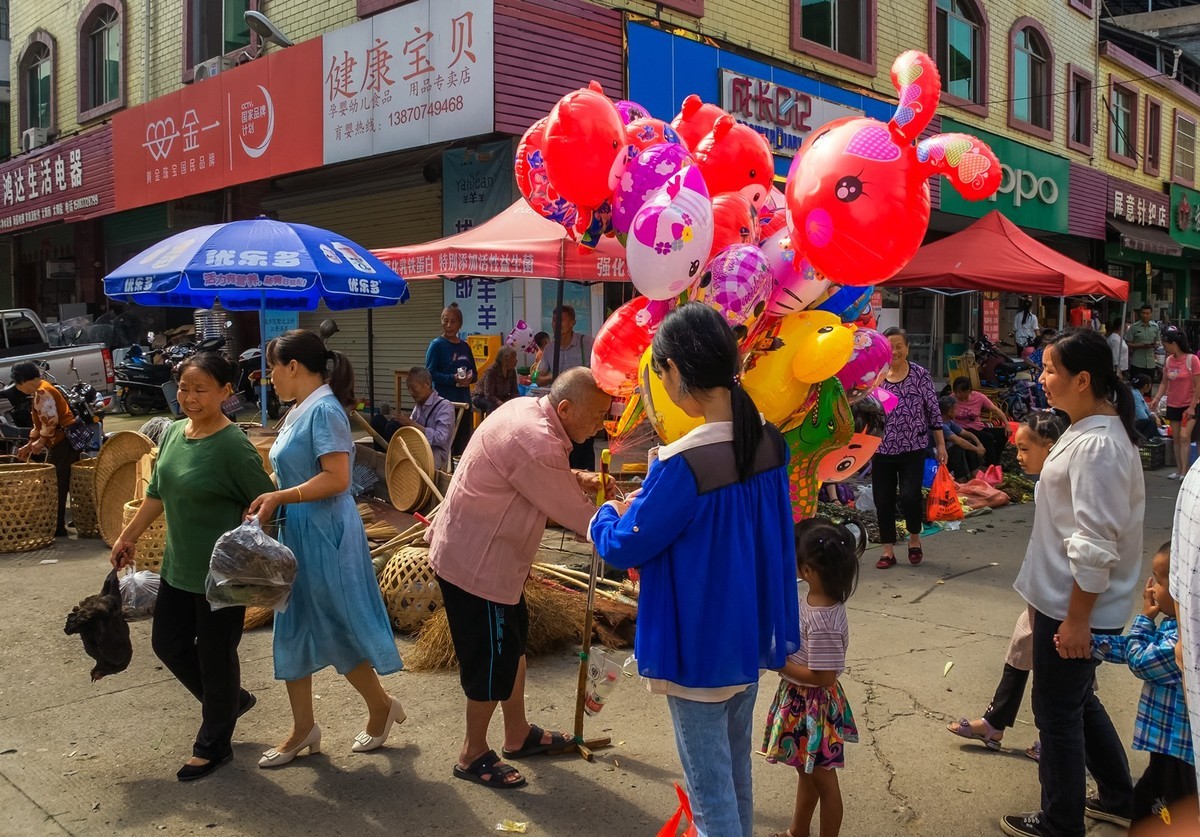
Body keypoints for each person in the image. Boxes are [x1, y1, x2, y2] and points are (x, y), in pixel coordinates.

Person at [589, 302, 799, 837]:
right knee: (734, 777)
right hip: (748, 635)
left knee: (710, 801)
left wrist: (605, 516)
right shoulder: (770, 442)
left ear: (676, 373)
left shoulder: (683, 464)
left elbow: (625, 546)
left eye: (661, 372)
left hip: (698, 648)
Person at [427, 367, 613, 790]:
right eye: (599, 414)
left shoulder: (527, 411)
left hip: (484, 558)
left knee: (513, 646)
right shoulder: (537, 441)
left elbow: (540, 481)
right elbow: (581, 517)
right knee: (491, 663)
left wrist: (577, 479)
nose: (602, 424)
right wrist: (626, 516)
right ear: (565, 408)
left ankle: (516, 733)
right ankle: (472, 753)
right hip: (478, 568)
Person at [1002, 328, 1141, 837]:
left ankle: (1062, 822)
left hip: (1072, 606)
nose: (1042, 378)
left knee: (1056, 715)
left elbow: (1095, 541)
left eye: (1049, 369)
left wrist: (1078, 618)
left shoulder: (1100, 445)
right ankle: (1118, 795)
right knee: (1076, 703)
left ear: (1082, 380)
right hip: (1062, 601)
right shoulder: (1086, 431)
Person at [110, 353, 275, 781]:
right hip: (178, 566)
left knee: (217, 656)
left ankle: (213, 743)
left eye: (201, 389)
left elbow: (263, 501)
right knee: (168, 644)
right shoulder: (172, 434)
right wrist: (128, 536)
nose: (189, 397)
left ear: (225, 392)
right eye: (184, 388)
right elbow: (157, 492)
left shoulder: (232, 445)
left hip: (223, 574)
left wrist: (248, 537)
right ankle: (229, 703)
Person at [247, 330, 404, 769]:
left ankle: (380, 705)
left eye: (272, 368)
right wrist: (267, 499)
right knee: (291, 623)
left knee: (335, 624)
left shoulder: (326, 410)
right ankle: (303, 729)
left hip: (325, 534)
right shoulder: (298, 409)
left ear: (293, 367)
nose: (268, 378)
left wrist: (281, 497)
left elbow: (337, 478)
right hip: (295, 531)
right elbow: (291, 471)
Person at [946, 410, 1066, 759]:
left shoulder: (1060, 483)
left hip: (1059, 594)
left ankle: (1055, 737)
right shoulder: (1046, 482)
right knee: (1022, 646)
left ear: (1050, 446)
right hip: (1041, 588)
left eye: (1025, 449)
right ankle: (997, 721)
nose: (1018, 456)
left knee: (1062, 672)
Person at [762, 518, 860, 837]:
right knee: (807, 774)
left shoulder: (824, 620)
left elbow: (823, 677)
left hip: (814, 709)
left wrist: (780, 664)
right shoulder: (810, 595)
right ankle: (797, 831)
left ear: (808, 570)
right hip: (801, 701)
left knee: (825, 782)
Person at [1093, 541, 1196, 832]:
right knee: (1150, 805)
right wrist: (1092, 644)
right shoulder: (1173, 627)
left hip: (1178, 751)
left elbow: (1140, 660)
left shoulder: (1182, 640)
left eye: (1159, 581)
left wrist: (1143, 617)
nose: (1150, 589)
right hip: (1170, 749)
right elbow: (1132, 649)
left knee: (1163, 814)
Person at [872, 328, 946, 570]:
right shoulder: (876, 376)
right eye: (889, 346)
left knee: (909, 496)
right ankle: (887, 551)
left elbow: (934, 412)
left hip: (913, 447)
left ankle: (915, 539)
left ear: (907, 348)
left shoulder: (920, 375)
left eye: (898, 346)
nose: (894, 351)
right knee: (883, 500)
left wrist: (941, 445)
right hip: (881, 450)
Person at [12, 361, 80, 537]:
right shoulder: (40, 390)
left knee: (57, 484)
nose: (19, 388)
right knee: (64, 482)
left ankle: (57, 526)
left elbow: (51, 421)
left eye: (19, 384)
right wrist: (30, 444)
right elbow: (42, 422)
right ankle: (65, 522)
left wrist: (40, 441)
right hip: (61, 441)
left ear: (24, 380)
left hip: (63, 442)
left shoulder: (42, 391)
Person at [536, 305, 597, 469]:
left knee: (584, 450)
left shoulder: (587, 344)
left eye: (561, 320)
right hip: (560, 411)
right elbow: (538, 378)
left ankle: (587, 488)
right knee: (562, 451)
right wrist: (556, 376)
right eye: (554, 320)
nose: (556, 324)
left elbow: (600, 370)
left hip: (584, 407)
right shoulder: (549, 349)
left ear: (573, 322)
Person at [425, 303, 477, 457]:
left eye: (453, 321)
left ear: (460, 324)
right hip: (445, 404)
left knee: (463, 444)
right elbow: (430, 374)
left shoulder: (465, 347)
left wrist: (469, 378)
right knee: (445, 444)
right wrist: (451, 379)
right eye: (445, 320)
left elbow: (475, 373)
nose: (449, 325)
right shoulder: (437, 345)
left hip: (464, 402)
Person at [1152, 330, 1200, 480]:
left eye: (1166, 344)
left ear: (1174, 344)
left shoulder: (1192, 360)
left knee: (1185, 436)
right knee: (1177, 438)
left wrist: (1192, 406)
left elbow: (1198, 385)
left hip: (1190, 405)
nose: (1165, 347)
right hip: (1173, 404)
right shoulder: (1168, 361)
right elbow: (1164, 382)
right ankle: (1179, 470)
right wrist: (1157, 399)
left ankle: (1185, 472)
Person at [395, 367, 455, 471]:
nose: (410, 392)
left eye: (413, 388)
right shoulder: (419, 405)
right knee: (382, 422)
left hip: (433, 454)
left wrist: (413, 425)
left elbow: (441, 438)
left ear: (427, 384)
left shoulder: (444, 406)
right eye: (408, 389)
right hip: (415, 449)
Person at [950, 377, 1009, 467]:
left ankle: (995, 461)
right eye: (956, 392)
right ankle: (991, 465)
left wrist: (1007, 425)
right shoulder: (952, 399)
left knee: (1002, 434)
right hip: (961, 429)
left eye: (960, 392)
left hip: (978, 427)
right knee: (988, 437)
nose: (957, 395)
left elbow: (996, 410)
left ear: (968, 390)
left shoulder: (979, 397)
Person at [940, 394, 985, 481]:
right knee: (959, 449)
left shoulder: (949, 422)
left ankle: (975, 477)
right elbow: (958, 441)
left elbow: (967, 434)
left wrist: (979, 445)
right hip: (938, 456)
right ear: (949, 411)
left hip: (947, 453)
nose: (957, 411)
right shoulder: (941, 424)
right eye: (955, 409)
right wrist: (976, 449)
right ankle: (961, 480)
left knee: (969, 443)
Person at [473, 346, 520, 416]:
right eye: (513, 357)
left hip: (501, 396)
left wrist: (511, 401)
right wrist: (501, 403)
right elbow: (488, 395)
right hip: (481, 396)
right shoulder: (491, 371)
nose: (516, 360)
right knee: (492, 406)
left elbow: (514, 391)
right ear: (505, 358)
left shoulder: (511, 371)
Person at [1128, 305, 1163, 384]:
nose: (1145, 315)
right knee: (1135, 387)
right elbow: (1128, 343)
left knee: (1148, 387)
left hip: (1150, 363)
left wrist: (1155, 345)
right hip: (1137, 362)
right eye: (1143, 313)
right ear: (1140, 313)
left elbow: (1157, 341)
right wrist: (1141, 345)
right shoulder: (1134, 327)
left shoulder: (1155, 327)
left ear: (1151, 314)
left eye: (1147, 313)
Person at [1132, 374, 1161, 442]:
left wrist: (1156, 417)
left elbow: (1148, 412)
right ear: (1146, 386)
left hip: (1137, 423)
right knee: (1151, 422)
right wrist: (1154, 419)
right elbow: (1142, 417)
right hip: (1133, 425)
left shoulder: (1138, 394)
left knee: (1156, 419)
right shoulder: (1135, 395)